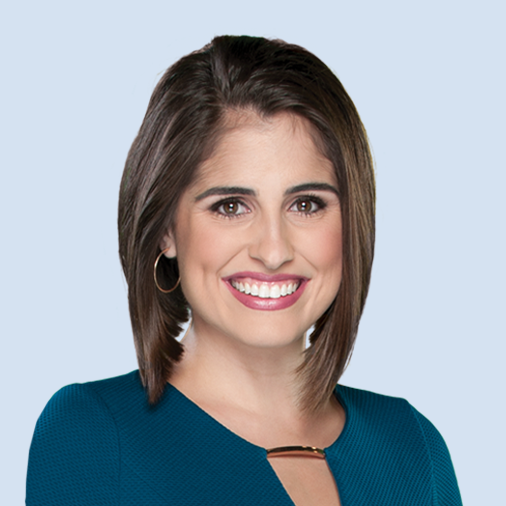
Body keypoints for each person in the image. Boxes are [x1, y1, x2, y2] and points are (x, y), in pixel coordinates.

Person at [26, 35, 462, 506]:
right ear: (166, 230)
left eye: (306, 204)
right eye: (231, 206)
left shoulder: (414, 446)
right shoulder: (94, 436)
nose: (273, 251)